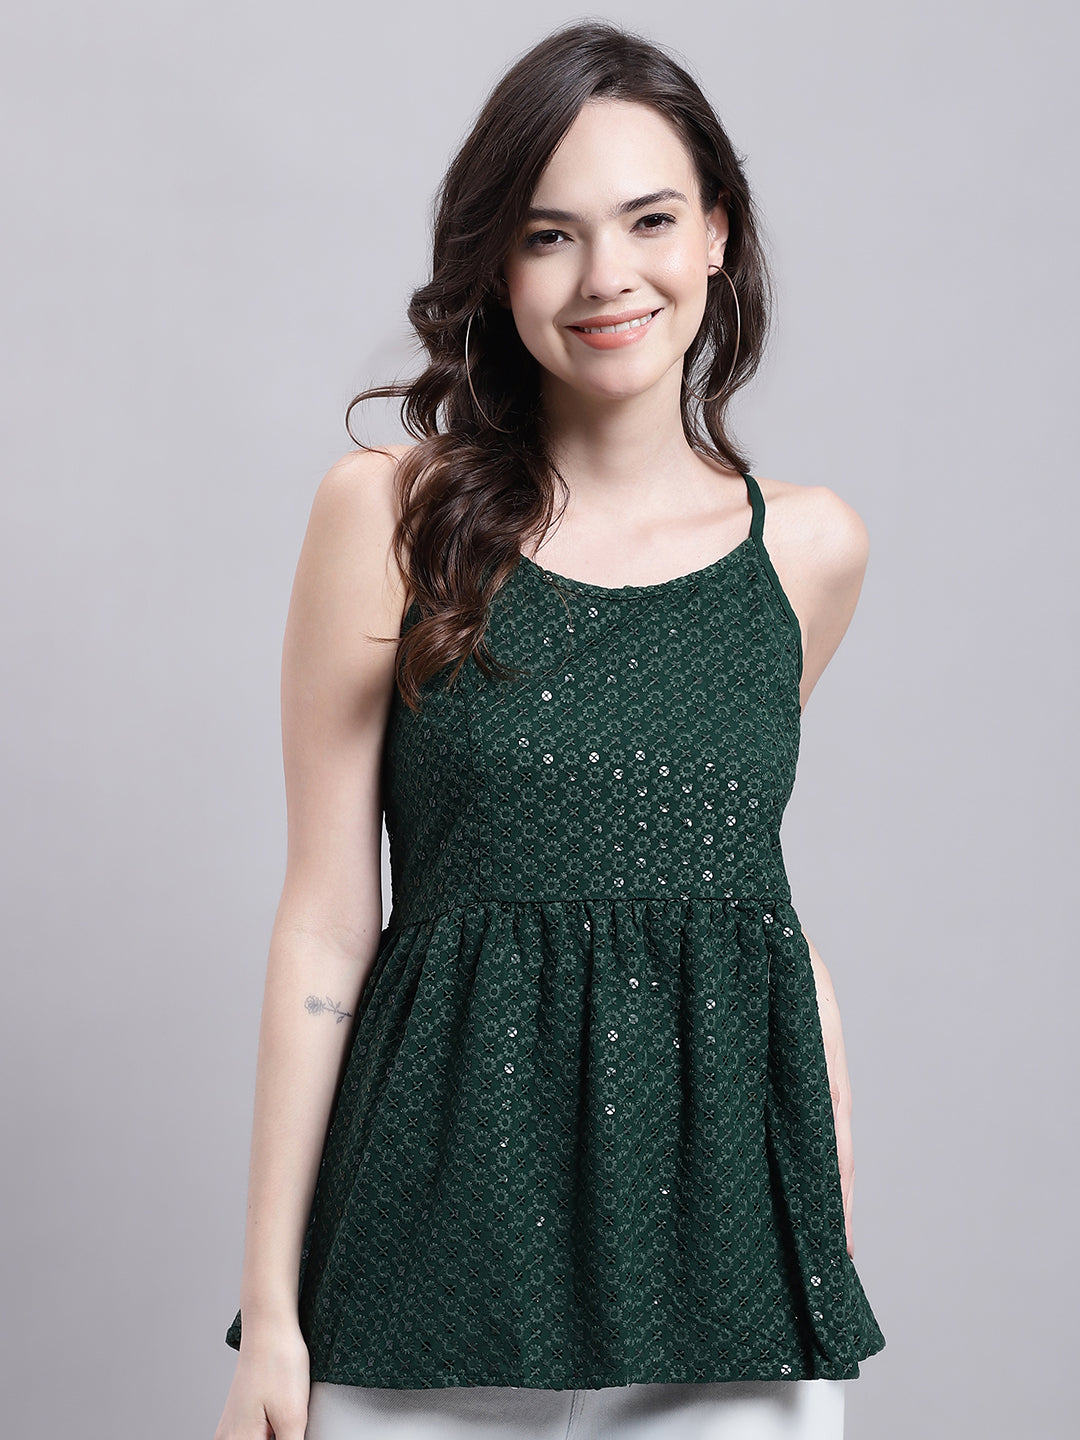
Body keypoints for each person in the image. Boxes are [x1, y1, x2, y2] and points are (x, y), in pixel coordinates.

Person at [214, 19, 886, 1440]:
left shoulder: (809, 550)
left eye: (650, 220)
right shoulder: (390, 516)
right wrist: (269, 1313)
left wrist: (824, 1223)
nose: (606, 278)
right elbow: (326, 926)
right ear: (497, 268)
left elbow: (738, 898)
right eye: (548, 236)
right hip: (427, 1252)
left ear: (718, 233)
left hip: (732, 1255)